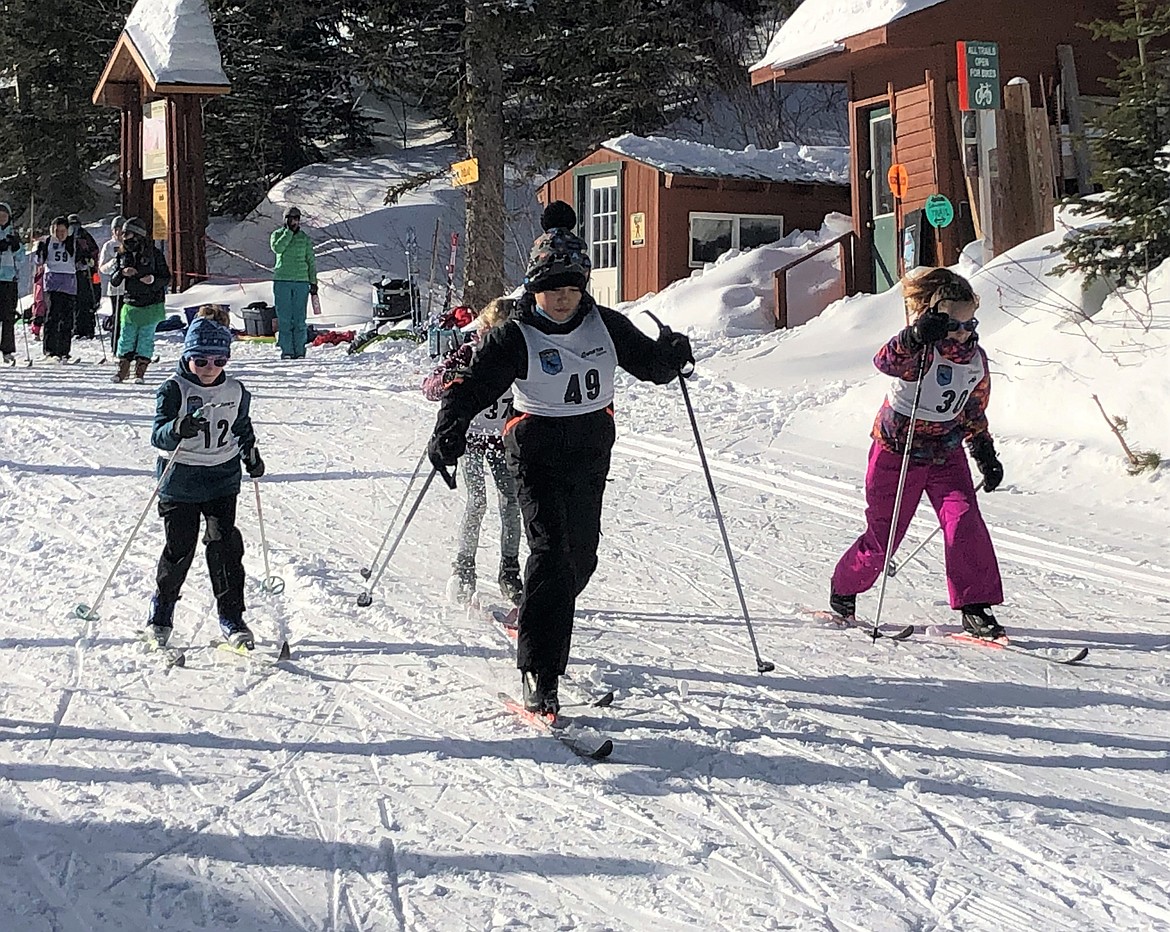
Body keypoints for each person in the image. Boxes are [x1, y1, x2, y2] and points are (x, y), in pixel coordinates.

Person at [427, 201, 693, 715]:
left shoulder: (605, 325)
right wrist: (449, 428)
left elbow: (651, 366)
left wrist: (672, 352)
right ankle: (540, 673)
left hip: (591, 451)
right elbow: (472, 386)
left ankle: (534, 612)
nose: (563, 299)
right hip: (535, 450)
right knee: (549, 555)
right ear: (534, 288)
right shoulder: (515, 333)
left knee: (581, 557)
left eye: (572, 288)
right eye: (553, 289)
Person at [829, 267, 1006, 639]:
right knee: (884, 538)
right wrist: (913, 336)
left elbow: (973, 407)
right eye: (955, 325)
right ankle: (845, 587)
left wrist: (984, 451)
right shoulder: (921, 352)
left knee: (964, 522)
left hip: (946, 453)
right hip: (898, 451)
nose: (964, 333)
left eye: (970, 324)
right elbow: (885, 362)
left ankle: (975, 606)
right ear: (935, 321)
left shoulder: (976, 359)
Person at [144, 318, 265, 650]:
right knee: (180, 548)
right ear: (187, 357)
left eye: (219, 360)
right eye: (201, 360)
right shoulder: (174, 389)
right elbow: (159, 435)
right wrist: (179, 427)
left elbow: (241, 427)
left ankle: (232, 616)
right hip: (181, 480)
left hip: (221, 478)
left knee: (225, 545)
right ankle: (162, 611)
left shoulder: (236, 391)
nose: (210, 368)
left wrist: (251, 456)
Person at [423, 297, 522, 606]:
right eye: (496, 330)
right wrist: (448, 379)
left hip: (503, 440)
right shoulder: (468, 352)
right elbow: (429, 386)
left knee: (511, 502)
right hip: (472, 439)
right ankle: (464, 567)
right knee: (477, 500)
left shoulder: (520, 353)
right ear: (486, 328)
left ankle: (509, 569)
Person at [111, 217, 170, 384]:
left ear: (138, 235)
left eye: (128, 234)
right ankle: (122, 369)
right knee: (126, 337)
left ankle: (140, 371)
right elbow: (114, 280)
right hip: (130, 302)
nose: (125, 238)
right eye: (123, 234)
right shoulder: (122, 255)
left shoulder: (154, 254)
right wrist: (122, 273)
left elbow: (165, 277)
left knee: (145, 338)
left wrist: (152, 280)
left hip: (151, 303)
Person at [270, 205, 317, 360]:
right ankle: (287, 350)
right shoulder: (277, 235)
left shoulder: (304, 238)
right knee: (284, 317)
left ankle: (300, 350)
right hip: (282, 280)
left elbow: (310, 261)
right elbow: (278, 248)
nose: (294, 221)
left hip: (301, 281)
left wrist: (313, 282)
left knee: (299, 318)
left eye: (296, 218)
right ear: (285, 220)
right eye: (291, 218)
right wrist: (288, 232)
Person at [34, 216, 78, 361]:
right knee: (52, 316)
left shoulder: (73, 242)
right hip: (52, 282)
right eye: (57, 231)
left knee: (67, 318)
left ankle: (64, 350)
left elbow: (81, 261)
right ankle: (50, 350)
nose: (60, 234)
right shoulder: (47, 242)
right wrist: (38, 252)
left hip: (69, 284)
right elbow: (38, 261)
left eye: (63, 231)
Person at [68, 213, 100, 339]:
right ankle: (75, 328)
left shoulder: (85, 236)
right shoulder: (66, 237)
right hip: (70, 274)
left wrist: (89, 260)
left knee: (86, 301)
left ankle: (88, 328)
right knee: (73, 302)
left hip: (85, 273)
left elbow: (94, 251)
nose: (74, 228)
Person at [99, 216, 126, 354]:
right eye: (116, 229)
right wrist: (114, 263)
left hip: (131, 288)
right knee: (118, 318)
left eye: (121, 229)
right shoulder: (109, 246)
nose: (119, 232)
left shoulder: (130, 244)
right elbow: (102, 267)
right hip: (116, 288)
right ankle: (116, 347)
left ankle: (129, 347)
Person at [0, 202, 22, 365]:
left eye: (4, 215)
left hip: (9, 279)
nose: (2, 218)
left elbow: (21, 257)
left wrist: (15, 247)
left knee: (8, 316)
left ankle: (7, 350)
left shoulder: (13, 233)